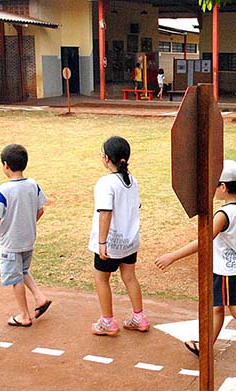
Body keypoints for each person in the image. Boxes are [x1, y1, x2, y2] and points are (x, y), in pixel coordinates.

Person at [155, 160, 236, 376]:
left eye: (214, 183)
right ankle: (205, 345)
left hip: (227, 272)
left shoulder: (224, 215)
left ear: (223, 187)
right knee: (217, 308)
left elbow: (203, 241)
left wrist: (172, 256)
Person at [89, 136, 149, 336]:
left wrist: (102, 242)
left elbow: (105, 212)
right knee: (130, 277)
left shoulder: (105, 183)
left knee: (101, 279)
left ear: (106, 158)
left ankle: (107, 321)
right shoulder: (133, 180)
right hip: (130, 241)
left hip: (111, 242)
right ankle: (139, 317)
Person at [0, 144, 51, 327]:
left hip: (11, 243)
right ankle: (40, 298)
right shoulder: (33, 185)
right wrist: (27, 224)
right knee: (23, 271)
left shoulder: (3, 190)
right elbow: (40, 210)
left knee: (16, 278)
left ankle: (24, 315)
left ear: (5, 165)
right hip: (28, 239)